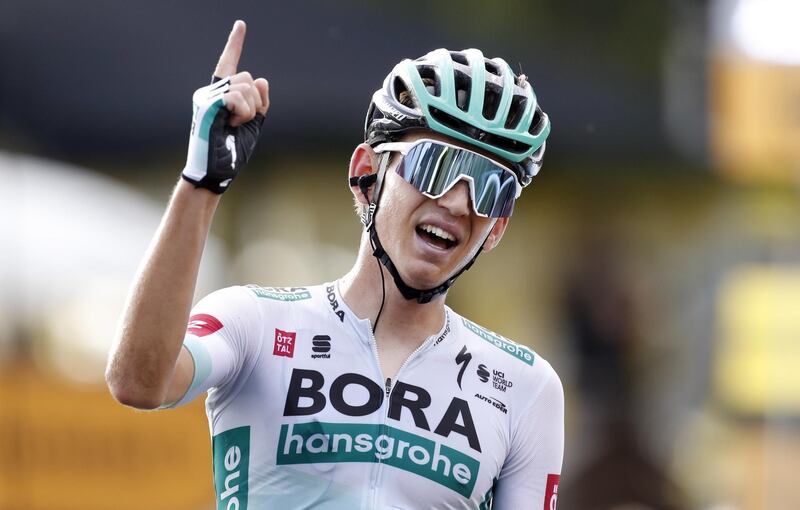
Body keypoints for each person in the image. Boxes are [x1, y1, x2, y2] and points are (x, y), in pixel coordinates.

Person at [106, 20, 564, 510]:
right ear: (366, 173)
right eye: (435, 166)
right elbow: (139, 381)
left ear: (496, 228)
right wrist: (201, 184)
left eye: (489, 187)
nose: (456, 202)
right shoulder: (255, 323)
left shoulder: (525, 387)